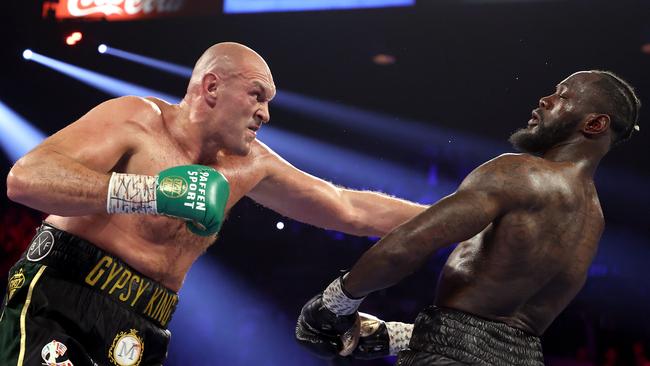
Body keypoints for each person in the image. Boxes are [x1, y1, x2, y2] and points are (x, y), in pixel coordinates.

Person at [0, 42, 426, 366]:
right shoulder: (137, 120)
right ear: (212, 87)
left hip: (144, 324)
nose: (265, 113)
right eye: (257, 95)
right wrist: (152, 193)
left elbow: (347, 208)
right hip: (61, 297)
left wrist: (461, 217)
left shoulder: (250, 164)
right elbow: (26, 180)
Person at [296, 70, 641, 365]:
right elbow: (500, 329)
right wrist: (401, 336)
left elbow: (408, 244)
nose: (544, 99)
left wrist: (335, 302)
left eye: (562, 97)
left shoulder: (520, 172)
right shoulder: (593, 218)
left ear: (595, 123)